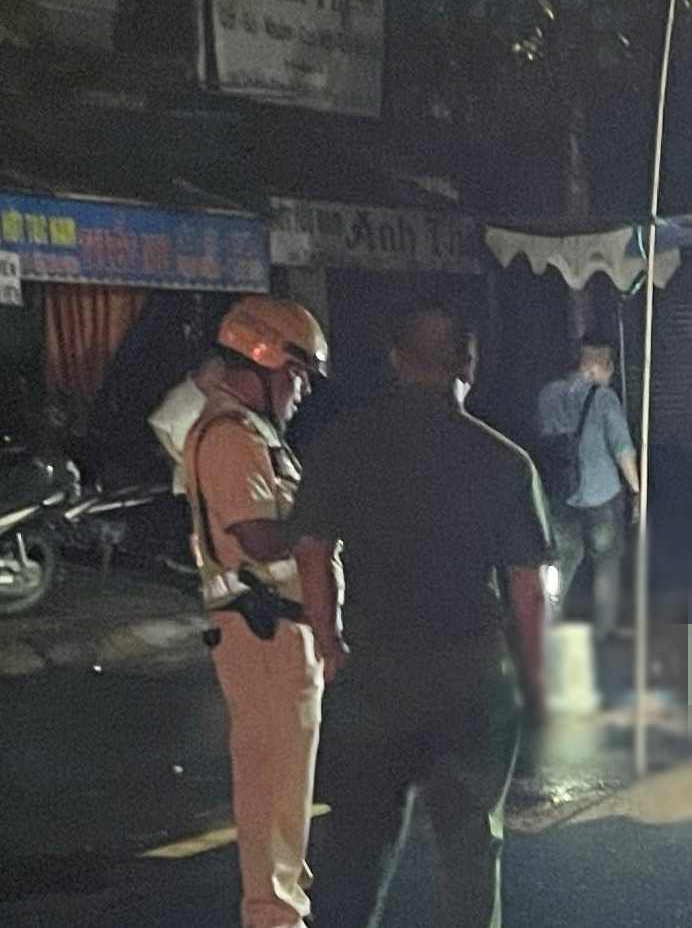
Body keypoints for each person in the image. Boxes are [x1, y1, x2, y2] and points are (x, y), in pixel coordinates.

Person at [296, 298, 550, 928]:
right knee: (468, 848)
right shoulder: (503, 460)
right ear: (469, 361)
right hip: (473, 678)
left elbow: (311, 550)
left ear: (394, 359)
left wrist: (328, 642)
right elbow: (527, 588)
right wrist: (535, 677)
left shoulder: (343, 444)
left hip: (376, 673)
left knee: (357, 844)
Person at [183, 296, 328, 928]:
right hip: (263, 630)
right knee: (273, 788)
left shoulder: (253, 434)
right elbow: (259, 536)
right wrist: (328, 517)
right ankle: (274, 917)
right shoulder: (232, 438)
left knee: (286, 789)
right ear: (263, 362)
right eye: (296, 375)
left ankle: (282, 908)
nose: (299, 392)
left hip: (276, 632)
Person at [536, 333, 639, 637]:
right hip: (600, 495)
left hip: (560, 493)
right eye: (610, 368)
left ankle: (545, 625)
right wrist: (635, 490)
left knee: (561, 562)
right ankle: (606, 627)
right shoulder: (605, 398)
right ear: (601, 366)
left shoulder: (548, 394)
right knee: (606, 562)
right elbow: (622, 449)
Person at [151, 353, 227, 495]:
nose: (220, 374)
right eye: (215, 368)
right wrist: (177, 457)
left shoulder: (220, 397)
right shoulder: (180, 395)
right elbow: (158, 423)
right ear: (203, 369)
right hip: (187, 466)